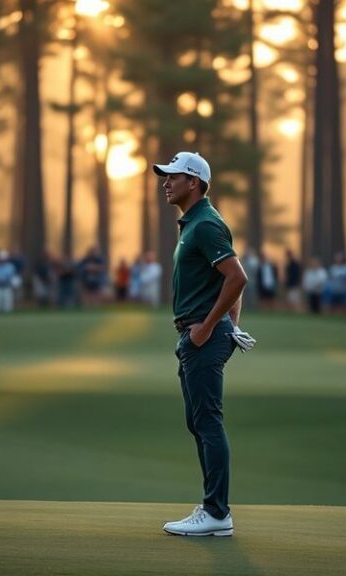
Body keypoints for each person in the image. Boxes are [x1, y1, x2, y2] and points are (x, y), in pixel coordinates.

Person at [153, 151, 253, 537]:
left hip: (201, 336)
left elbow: (237, 277)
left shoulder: (206, 225)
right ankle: (213, 509)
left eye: (173, 176)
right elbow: (228, 277)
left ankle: (216, 512)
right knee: (198, 422)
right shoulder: (194, 224)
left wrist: (212, 328)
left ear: (193, 182)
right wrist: (228, 326)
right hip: (198, 335)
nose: (166, 182)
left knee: (208, 422)